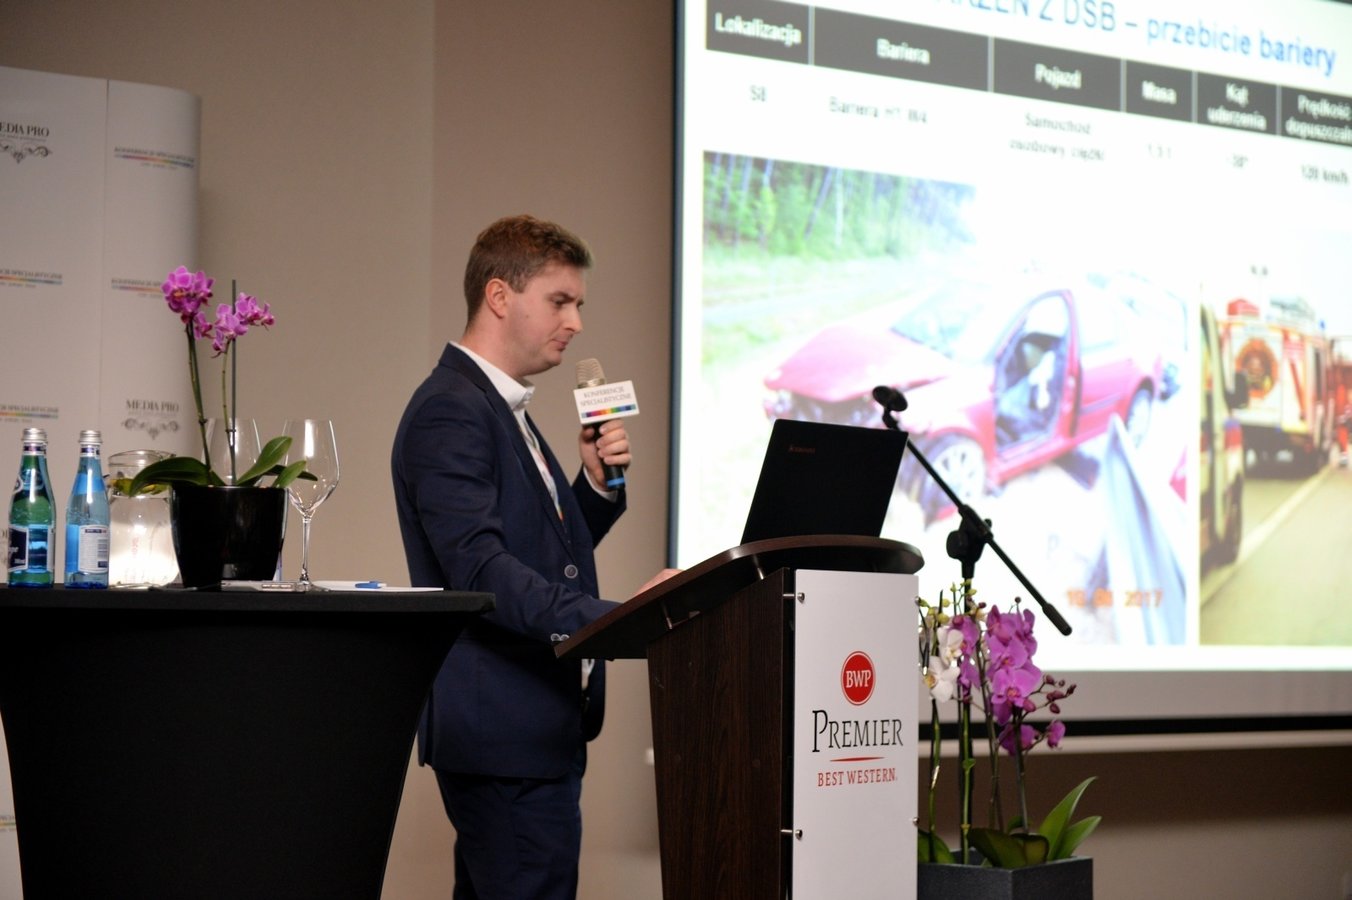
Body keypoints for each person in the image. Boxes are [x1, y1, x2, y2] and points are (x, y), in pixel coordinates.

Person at [391, 214, 675, 900]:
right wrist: (619, 619)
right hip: (503, 731)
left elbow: (538, 553)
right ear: (499, 295)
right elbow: (482, 572)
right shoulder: (452, 410)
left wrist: (594, 491)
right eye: (560, 301)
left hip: (526, 728)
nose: (575, 322)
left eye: (578, 304)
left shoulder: (496, 404)